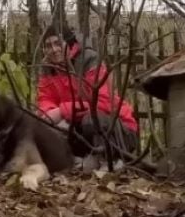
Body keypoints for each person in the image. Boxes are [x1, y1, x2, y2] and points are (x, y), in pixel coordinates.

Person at [36, 26, 139, 161]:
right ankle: (79, 161)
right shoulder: (48, 70)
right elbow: (45, 100)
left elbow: (104, 103)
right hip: (82, 131)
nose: (54, 50)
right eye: (48, 46)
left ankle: (108, 162)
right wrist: (48, 115)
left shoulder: (89, 61)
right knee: (48, 127)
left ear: (69, 43)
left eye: (58, 43)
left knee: (90, 120)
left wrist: (62, 111)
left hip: (120, 129)